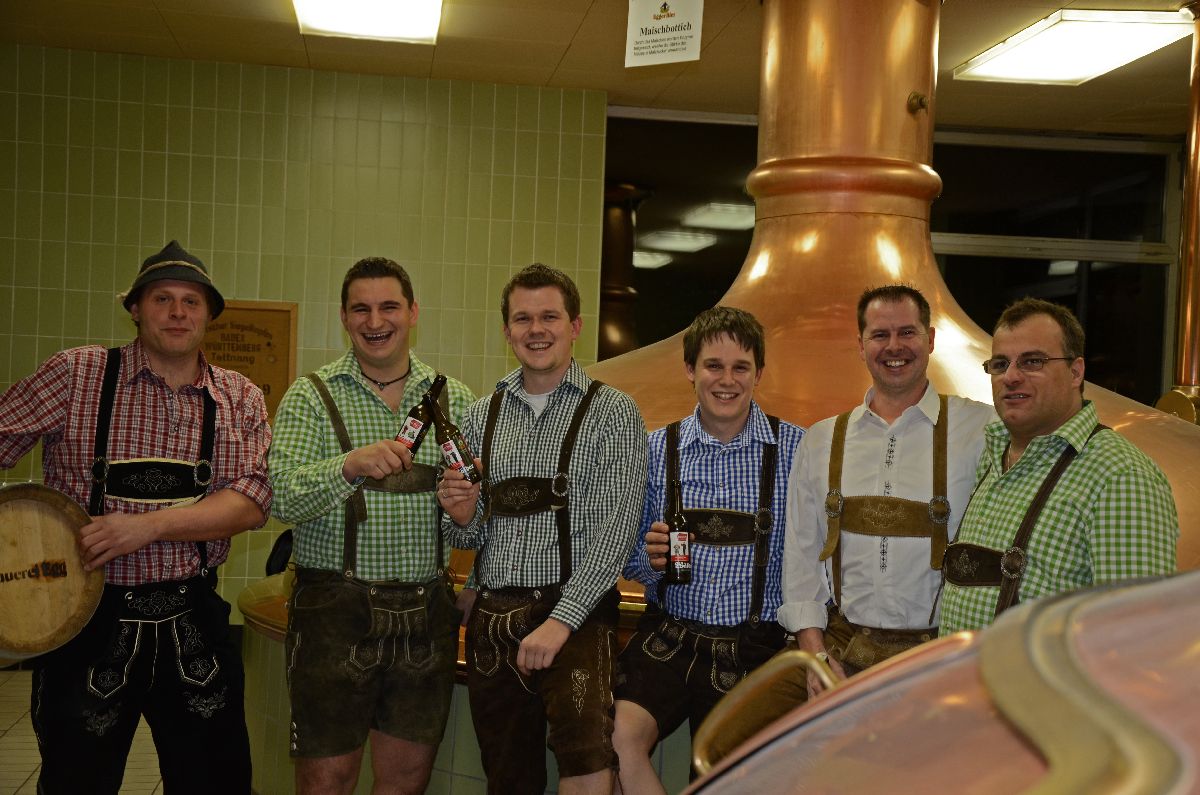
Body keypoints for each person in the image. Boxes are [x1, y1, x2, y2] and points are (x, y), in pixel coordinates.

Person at [0, 240, 271, 795]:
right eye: (162, 299)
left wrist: (144, 527)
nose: (178, 313)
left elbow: (250, 501)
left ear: (209, 316)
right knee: (77, 781)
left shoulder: (238, 395)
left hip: (193, 616)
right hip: (85, 616)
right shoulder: (77, 374)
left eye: (191, 302)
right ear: (135, 309)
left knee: (215, 782)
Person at [438, 263, 648, 795]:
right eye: (523, 318)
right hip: (494, 619)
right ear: (506, 330)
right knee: (508, 777)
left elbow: (617, 532)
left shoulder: (614, 413)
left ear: (575, 326)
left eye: (550, 317)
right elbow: (467, 538)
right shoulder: (480, 415)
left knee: (587, 767)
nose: (537, 330)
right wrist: (460, 515)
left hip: (576, 616)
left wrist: (561, 621)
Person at [268, 257, 474, 795]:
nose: (375, 321)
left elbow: (476, 523)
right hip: (333, 614)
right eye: (361, 309)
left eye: (389, 307)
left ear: (413, 312)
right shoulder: (311, 395)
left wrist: (467, 517)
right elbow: (281, 496)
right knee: (326, 782)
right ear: (344, 316)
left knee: (405, 783)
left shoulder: (455, 399)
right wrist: (348, 465)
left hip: (426, 615)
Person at [611, 306, 804, 795]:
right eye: (713, 366)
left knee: (719, 777)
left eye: (741, 367)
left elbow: (816, 559)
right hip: (670, 636)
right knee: (615, 740)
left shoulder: (796, 450)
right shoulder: (655, 449)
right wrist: (649, 560)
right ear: (690, 370)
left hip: (755, 646)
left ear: (759, 373)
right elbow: (626, 556)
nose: (727, 380)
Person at [779, 285, 996, 696]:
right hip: (842, 646)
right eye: (880, 335)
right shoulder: (821, 440)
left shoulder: (982, 429)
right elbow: (802, 556)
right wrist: (816, 657)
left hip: (941, 654)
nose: (894, 346)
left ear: (930, 340)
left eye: (907, 332)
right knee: (741, 732)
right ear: (861, 345)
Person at [940, 297, 1178, 634]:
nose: (1011, 377)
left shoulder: (1120, 476)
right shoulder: (994, 455)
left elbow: (1136, 638)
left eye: (1032, 361)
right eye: (1000, 364)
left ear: (1076, 372)